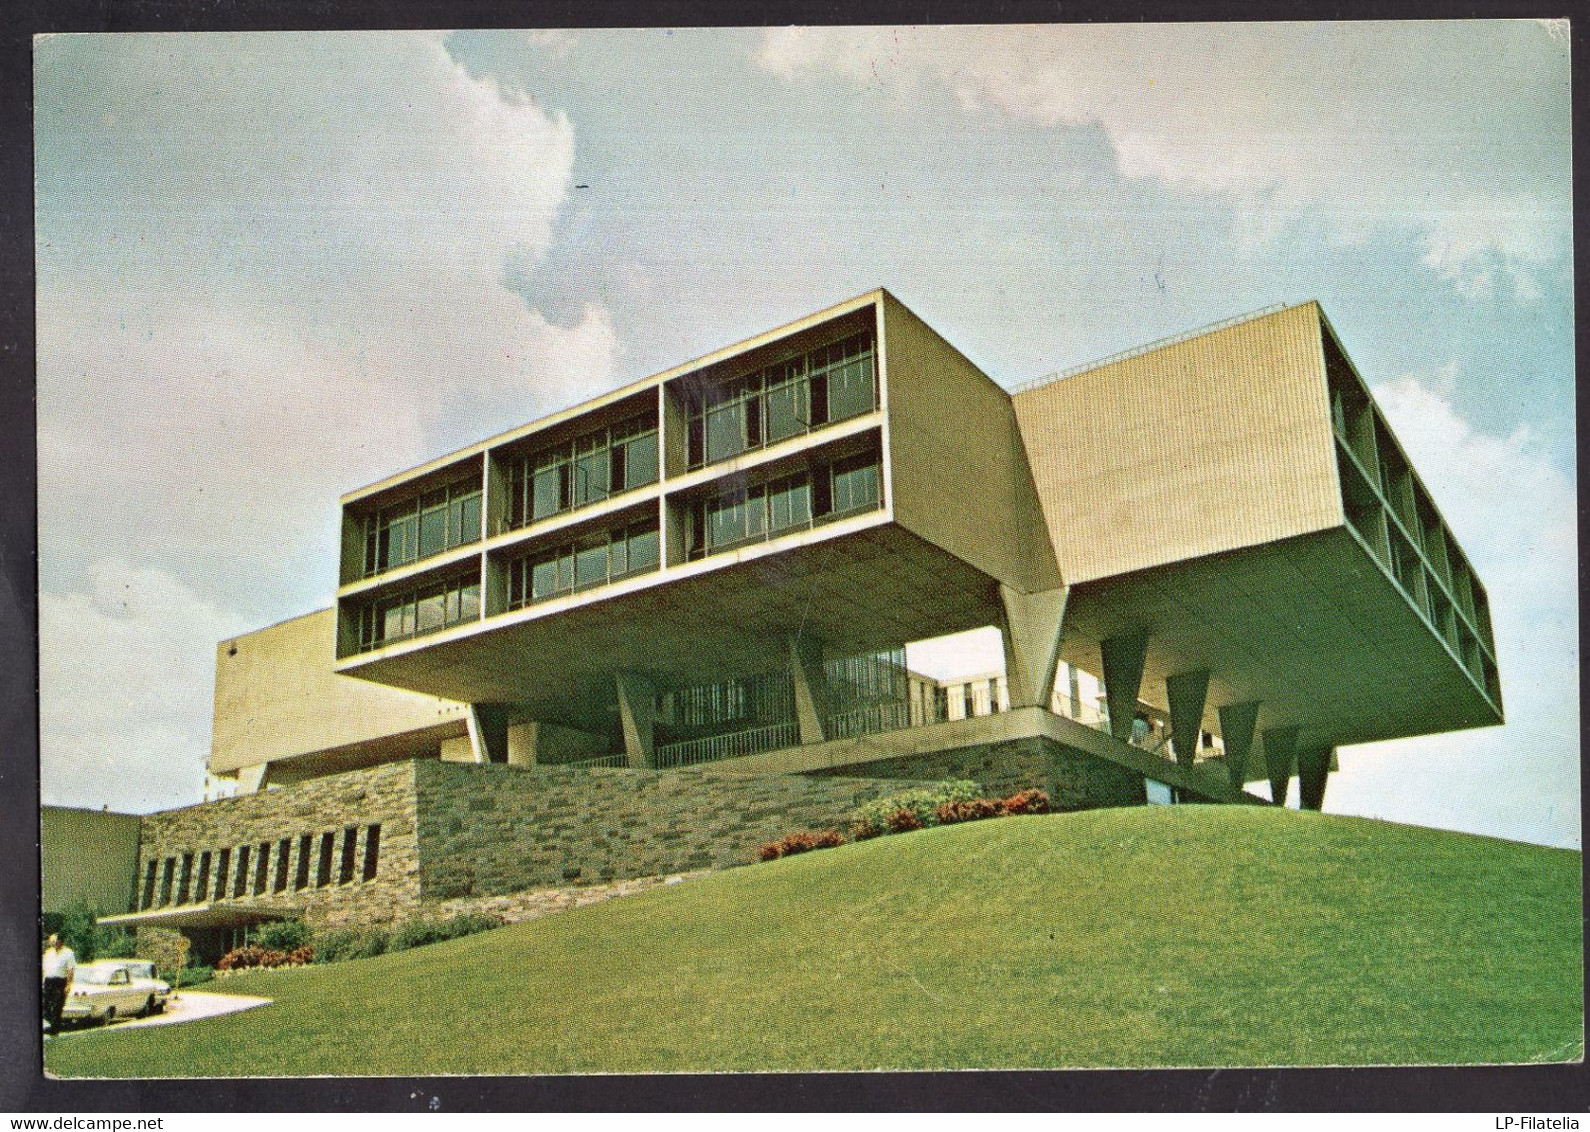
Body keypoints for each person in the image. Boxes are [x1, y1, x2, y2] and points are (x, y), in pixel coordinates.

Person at [41, 933, 76, 1035]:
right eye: (53, 941)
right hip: (48, 981)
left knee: (57, 1006)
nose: (54, 943)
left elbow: (70, 970)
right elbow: (44, 968)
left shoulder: (68, 953)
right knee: (45, 1005)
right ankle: (49, 1024)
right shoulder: (48, 953)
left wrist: (68, 985)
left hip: (60, 982)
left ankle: (54, 1030)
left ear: (61, 942)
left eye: (56, 941)